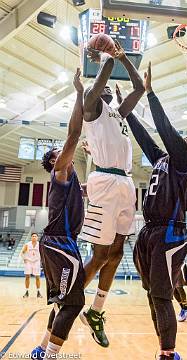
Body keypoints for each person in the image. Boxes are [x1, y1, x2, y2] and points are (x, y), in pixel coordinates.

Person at [121, 62, 187, 360]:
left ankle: (168, 354)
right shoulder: (162, 159)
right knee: (151, 295)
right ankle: (163, 349)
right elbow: (146, 138)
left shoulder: (184, 161)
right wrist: (127, 110)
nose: (182, 140)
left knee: (161, 295)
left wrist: (150, 93)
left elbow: (164, 129)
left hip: (170, 232)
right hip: (150, 230)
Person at [79, 41, 144, 347]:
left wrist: (124, 59)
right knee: (101, 254)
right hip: (104, 182)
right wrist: (108, 56)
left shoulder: (117, 113)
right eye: (102, 86)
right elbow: (100, 80)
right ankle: (69, 303)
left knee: (117, 253)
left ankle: (96, 311)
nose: (106, 89)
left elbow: (140, 88)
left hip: (125, 184)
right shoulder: (90, 105)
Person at [31, 69, 85, 359]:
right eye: (58, 154)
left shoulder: (73, 180)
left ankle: (41, 349)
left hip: (63, 243)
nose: (62, 155)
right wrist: (79, 93)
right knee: (73, 304)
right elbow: (74, 133)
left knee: (63, 302)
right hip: (58, 243)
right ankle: (51, 354)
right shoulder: (61, 173)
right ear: (56, 162)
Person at [21, 232, 42, 298]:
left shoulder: (40, 245)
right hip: (28, 261)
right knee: (27, 276)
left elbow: (43, 253)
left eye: (35, 236)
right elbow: (22, 252)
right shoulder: (27, 244)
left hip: (36, 261)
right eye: (33, 236)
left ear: (37, 237)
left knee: (37, 277)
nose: (34, 237)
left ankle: (38, 292)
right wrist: (24, 258)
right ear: (31, 237)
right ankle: (26, 292)